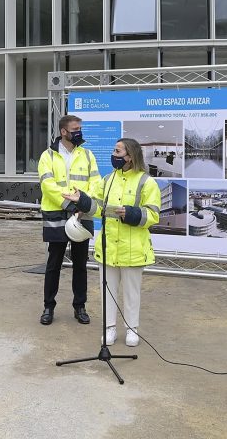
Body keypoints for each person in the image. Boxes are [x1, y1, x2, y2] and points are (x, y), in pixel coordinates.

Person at [63, 138, 161, 347]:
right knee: (107, 290)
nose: (113, 155)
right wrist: (81, 200)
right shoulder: (107, 180)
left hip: (133, 249)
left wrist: (132, 214)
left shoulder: (147, 182)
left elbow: (153, 215)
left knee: (131, 293)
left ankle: (132, 330)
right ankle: (110, 329)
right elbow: (98, 207)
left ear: (130, 156)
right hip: (108, 247)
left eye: (118, 151)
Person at [37, 115, 101, 326]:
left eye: (80, 128)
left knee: (81, 264)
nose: (79, 132)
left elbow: (95, 183)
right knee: (54, 263)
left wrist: (83, 205)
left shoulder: (87, 155)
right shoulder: (47, 156)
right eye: (75, 129)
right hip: (57, 214)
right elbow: (48, 185)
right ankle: (48, 307)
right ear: (64, 131)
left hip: (82, 215)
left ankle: (80, 307)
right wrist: (70, 205)